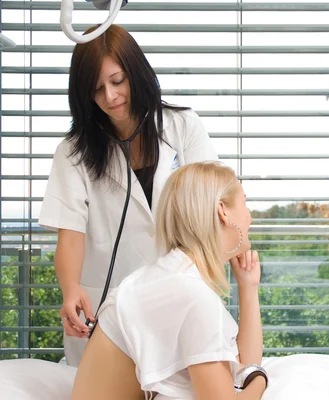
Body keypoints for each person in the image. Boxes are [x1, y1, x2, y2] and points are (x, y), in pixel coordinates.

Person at [38, 24, 218, 366]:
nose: (110, 97)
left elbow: (213, 205)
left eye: (117, 81)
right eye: (97, 88)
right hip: (109, 309)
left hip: (180, 297)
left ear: (136, 72)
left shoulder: (183, 126)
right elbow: (70, 233)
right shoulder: (73, 152)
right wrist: (71, 289)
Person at [70, 161, 266, 400]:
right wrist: (261, 382)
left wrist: (248, 287)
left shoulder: (175, 276)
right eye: (245, 203)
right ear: (223, 211)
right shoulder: (190, 294)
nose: (250, 217)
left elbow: (243, 364)